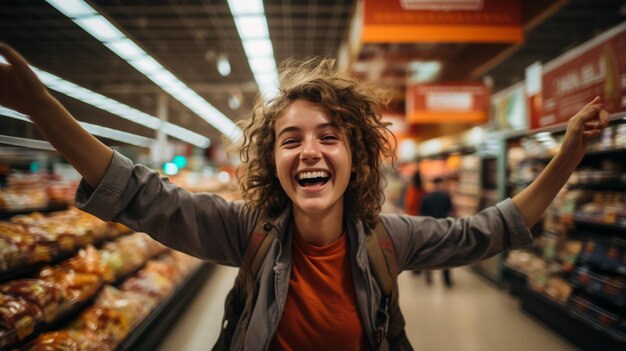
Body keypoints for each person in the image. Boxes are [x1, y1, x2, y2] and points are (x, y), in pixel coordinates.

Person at [0, 43, 610, 350]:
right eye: (290, 140)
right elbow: (141, 196)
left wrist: (565, 160)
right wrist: (40, 106)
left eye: (330, 137)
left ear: (358, 157)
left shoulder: (390, 239)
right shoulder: (247, 231)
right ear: (273, 162)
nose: (310, 151)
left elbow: (492, 230)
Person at [420, 176, 454, 287]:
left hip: (430, 228)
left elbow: (422, 214)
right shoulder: (445, 197)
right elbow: (451, 211)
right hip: (444, 228)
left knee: (429, 252)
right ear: (440, 184)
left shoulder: (426, 197)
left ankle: (428, 276)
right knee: (446, 253)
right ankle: (447, 280)